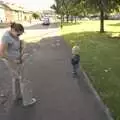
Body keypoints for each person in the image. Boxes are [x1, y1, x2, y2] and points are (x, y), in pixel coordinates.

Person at [0, 22, 36, 106]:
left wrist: (22, 44)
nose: (19, 36)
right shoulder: (6, 37)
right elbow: (1, 53)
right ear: (13, 30)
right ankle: (28, 101)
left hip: (17, 59)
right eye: (18, 34)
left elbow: (14, 45)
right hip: (14, 62)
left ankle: (17, 96)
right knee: (24, 79)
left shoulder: (12, 35)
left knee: (16, 78)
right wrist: (13, 60)